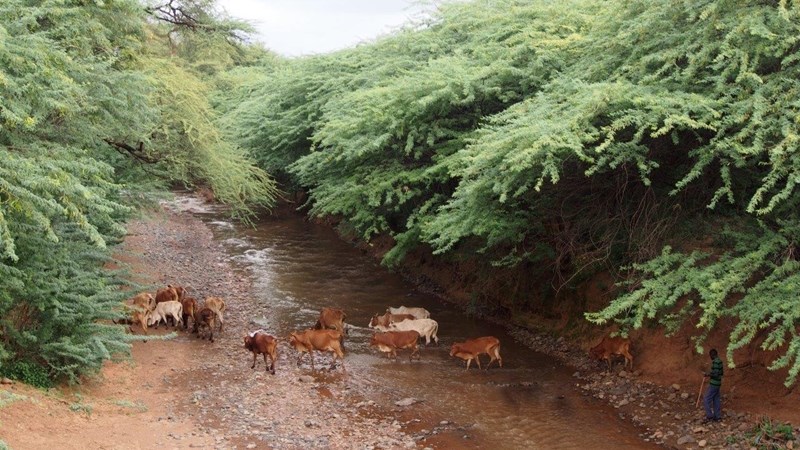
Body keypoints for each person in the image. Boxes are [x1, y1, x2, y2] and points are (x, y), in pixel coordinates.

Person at [703, 348, 724, 422]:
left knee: (706, 398)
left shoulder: (715, 362)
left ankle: (709, 416)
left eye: (710, 355)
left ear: (712, 355)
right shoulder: (720, 361)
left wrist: (707, 374)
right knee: (716, 399)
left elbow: (716, 373)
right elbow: (721, 373)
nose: (710, 357)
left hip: (714, 383)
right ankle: (717, 417)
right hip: (718, 383)